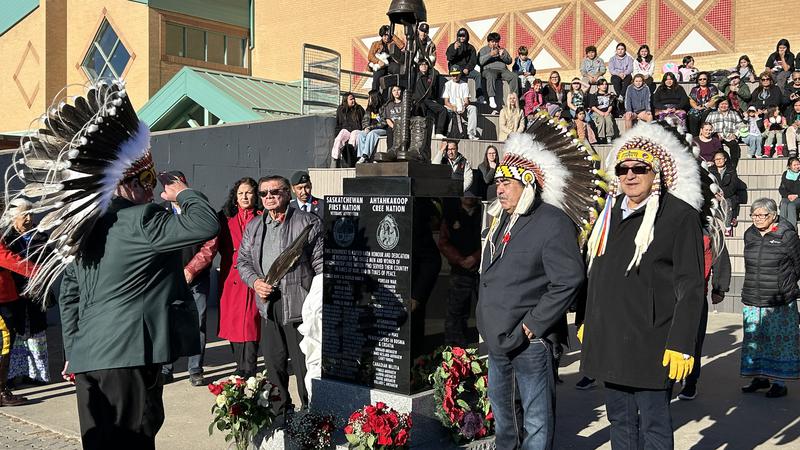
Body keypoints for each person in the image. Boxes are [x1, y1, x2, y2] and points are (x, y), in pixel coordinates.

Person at [2, 81, 222, 449]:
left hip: (91, 357)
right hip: (130, 355)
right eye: (149, 181)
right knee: (134, 440)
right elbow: (204, 223)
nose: (153, 190)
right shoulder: (143, 219)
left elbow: (69, 295)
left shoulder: (82, 232)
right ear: (128, 183)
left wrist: (74, 352)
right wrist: (181, 190)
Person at [478, 117, 603, 449]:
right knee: (505, 422)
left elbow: (569, 279)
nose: (499, 189)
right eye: (498, 183)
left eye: (507, 183)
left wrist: (532, 327)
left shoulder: (552, 221)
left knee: (536, 423)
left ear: (527, 184)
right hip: (498, 340)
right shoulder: (502, 218)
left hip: (530, 343)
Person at [582, 122, 706, 450]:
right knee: (619, 421)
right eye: (623, 168)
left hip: (652, 343)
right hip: (611, 340)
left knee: (654, 425)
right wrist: (588, 320)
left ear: (656, 174)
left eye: (640, 168)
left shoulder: (680, 216)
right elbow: (597, 275)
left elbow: (691, 287)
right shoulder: (607, 215)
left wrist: (682, 342)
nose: (630, 175)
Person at [237, 175, 323, 418]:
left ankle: (311, 416)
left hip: (300, 306)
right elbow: (242, 261)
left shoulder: (307, 222)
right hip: (268, 305)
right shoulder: (254, 226)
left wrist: (316, 302)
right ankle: (280, 414)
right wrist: (256, 282)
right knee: (274, 366)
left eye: (274, 192)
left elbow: (321, 265)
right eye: (263, 194)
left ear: (287, 193)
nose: (268, 197)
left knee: (304, 366)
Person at [160, 171, 218, 387]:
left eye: (175, 184)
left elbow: (211, 243)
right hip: (169, 280)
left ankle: (195, 368)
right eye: (166, 185)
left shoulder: (198, 209)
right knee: (168, 323)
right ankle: (166, 368)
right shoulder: (160, 213)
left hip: (197, 277)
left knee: (198, 322)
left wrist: (191, 269)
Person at [740, 197, 800, 398]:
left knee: (778, 342)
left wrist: (787, 285)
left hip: (778, 299)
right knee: (754, 340)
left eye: (761, 215)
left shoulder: (787, 235)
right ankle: (760, 377)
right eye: (753, 215)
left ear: (773, 215)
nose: (756, 219)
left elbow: (797, 264)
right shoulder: (750, 234)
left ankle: (779, 383)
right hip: (753, 295)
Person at [217, 177, 262, 378]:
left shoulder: (263, 217)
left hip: (254, 276)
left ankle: (249, 366)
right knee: (232, 322)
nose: (245, 196)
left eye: (249, 192)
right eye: (241, 193)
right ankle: (239, 364)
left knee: (251, 322)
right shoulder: (225, 219)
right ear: (235, 197)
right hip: (231, 278)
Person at [0, 199, 36, 406]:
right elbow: (8, 259)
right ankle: (2, 391)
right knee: (4, 344)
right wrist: (40, 272)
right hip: (2, 298)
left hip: (8, 295)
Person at [439, 195, 482, 347]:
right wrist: (459, 259)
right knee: (456, 311)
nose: (469, 197)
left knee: (485, 309)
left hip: (481, 270)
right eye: (465, 193)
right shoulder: (451, 216)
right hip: (459, 271)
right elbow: (443, 242)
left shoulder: (485, 213)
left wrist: (476, 257)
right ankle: (455, 347)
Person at [478, 32, 517, 111]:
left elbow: (509, 61)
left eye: (496, 42)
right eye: (493, 42)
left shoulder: (502, 49)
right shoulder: (484, 50)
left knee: (514, 76)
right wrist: (490, 54)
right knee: (490, 75)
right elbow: (480, 62)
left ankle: (514, 97)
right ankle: (491, 98)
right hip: (489, 70)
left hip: (503, 70)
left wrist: (503, 55)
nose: (495, 44)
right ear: (489, 42)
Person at [411, 59, 448, 139]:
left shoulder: (431, 76)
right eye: (421, 65)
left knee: (443, 110)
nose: (424, 66)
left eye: (425, 65)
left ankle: (439, 132)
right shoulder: (415, 75)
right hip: (419, 101)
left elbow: (435, 88)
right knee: (424, 112)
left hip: (429, 100)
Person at [446, 28, 483, 103]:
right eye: (460, 36)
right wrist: (455, 49)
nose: (462, 38)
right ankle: (458, 99)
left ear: (466, 37)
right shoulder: (452, 46)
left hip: (466, 68)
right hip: (455, 68)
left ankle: (479, 96)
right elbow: (449, 58)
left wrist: (467, 68)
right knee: (458, 74)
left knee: (478, 75)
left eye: (463, 36)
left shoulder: (471, 48)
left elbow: (473, 60)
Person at [705, 98, 744, 167]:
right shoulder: (712, 114)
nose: (724, 106)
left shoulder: (734, 113)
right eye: (721, 104)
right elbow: (707, 126)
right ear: (718, 105)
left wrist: (735, 134)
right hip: (716, 135)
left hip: (730, 136)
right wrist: (714, 133)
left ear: (729, 105)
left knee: (734, 146)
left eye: (726, 104)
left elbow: (741, 126)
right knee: (718, 147)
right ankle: (725, 162)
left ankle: (733, 167)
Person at [709, 150, 741, 235]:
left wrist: (723, 194)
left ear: (725, 159)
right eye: (716, 159)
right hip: (714, 195)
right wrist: (715, 194)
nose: (719, 161)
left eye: (721, 159)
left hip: (728, 196)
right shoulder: (710, 171)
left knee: (726, 203)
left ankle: (728, 227)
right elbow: (708, 185)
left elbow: (734, 185)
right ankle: (730, 219)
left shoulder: (731, 170)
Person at [443, 65, 478, 140]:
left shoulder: (464, 84)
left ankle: (471, 133)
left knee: (473, 108)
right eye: (453, 75)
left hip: (462, 106)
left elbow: (466, 101)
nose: (455, 77)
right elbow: (446, 101)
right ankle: (445, 132)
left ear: (460, 74)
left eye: (457, 75)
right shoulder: (447, 84)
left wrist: (464, 106)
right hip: (451, 106)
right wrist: (453, 107)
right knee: (444, 110)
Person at [369, 25, 405, 94]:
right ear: (381, 36)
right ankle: (374, 96)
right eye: (384, 35)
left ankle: (397, 91)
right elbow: (370, 56)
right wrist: (378, 61)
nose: (386, 37)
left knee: (398, 69)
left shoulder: (393, 42)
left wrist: (393, 35)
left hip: (390, 64)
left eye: (388, 35)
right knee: (376, 78)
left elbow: (402, 46)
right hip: (380, 65)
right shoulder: (376, 44)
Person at [331, 93, 365, 163]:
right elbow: (338, 124)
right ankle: (335, 159)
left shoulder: (359, 109)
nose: (353, 101)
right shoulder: (341, 109)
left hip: (357, 130)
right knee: (339, 137)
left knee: (353, 135)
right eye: (351, 99)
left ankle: (350, 157)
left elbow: (364, 121)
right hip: (346, 130)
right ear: (346, 100)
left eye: (353, 99)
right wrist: (336, 134)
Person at [356, 90, 388, 163]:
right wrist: (366, 127)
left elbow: (384, 122)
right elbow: (364, 121)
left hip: (382, 129)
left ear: (374, 98)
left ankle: (365, 155)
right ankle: (361, 156)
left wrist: (370, 127)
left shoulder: (383, 107)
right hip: (371, 129)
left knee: (372, 134)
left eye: (369, 97)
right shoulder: (369, 109)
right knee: (361, 134)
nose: (368, 99)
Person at [687, 72, 720, 136]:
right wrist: (696, 107)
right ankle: (695, 136)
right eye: (700, 79)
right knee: (692, 114)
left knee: (705, 113)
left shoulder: (712, 88)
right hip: (698, 107)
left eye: (704, 79)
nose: (702, 81)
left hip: (709, 108)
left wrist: (705, 106)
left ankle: (703, 134)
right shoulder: (694, 89)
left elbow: (714, 100)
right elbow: (692, 101)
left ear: (707, 79)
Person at [589, 78, 616, 144]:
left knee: (609, 119)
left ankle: (609, 137)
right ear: (598, 86)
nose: (604, 86)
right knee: (601, 120)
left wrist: (607, 112)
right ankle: (601, 137)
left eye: (605, 84)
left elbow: (611, 105)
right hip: (597, 112)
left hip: (607, 112)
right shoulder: (594, 95)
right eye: (602, 84)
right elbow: (592, 106)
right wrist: (600, 113)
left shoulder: (609, 95)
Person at [778, 157, 800, 225]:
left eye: (798, 164)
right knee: (784, 205)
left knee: (791, 205)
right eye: (794, 165)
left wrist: (797, 195)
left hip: (798, 197)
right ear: (789, 166)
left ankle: (792, 229)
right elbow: (782, 189)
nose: (797, 166)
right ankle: (782, 227)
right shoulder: (785, 174)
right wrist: (788, 195)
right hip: (787, 197)